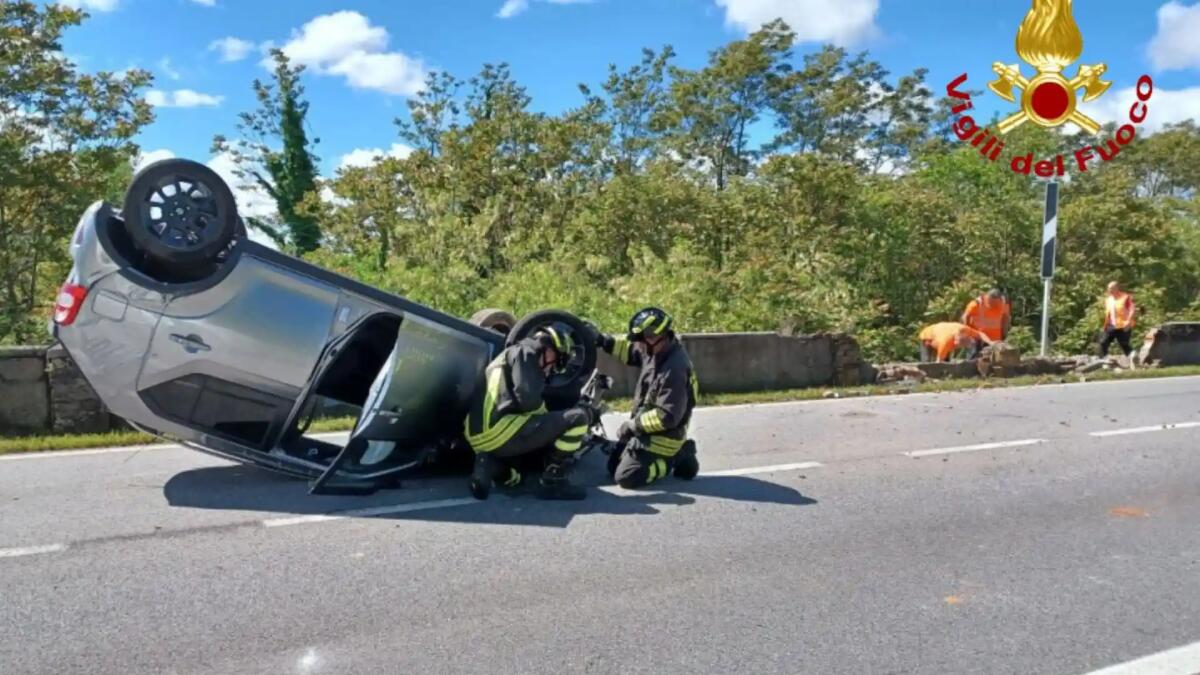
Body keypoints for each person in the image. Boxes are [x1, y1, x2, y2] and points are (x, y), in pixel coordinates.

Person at [463, 324, 597, 501]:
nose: (552, 367)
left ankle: (494, 467)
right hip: (500, 431)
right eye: (556, 359)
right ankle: (553, 481)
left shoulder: (506, 356)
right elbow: (527, 398)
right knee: (578, 417)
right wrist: (551, 418)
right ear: (549, 348)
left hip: (477, 435)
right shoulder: (527, 354)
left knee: (520, 476)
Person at [593, 307, 700, 489]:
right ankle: (664, 456)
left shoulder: (674, 369)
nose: (639, 345)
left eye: (642, 340)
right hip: (646, 431)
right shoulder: (655, 350)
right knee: (612, 467)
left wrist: (633, 426)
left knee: (627, 477)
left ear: (657, 337)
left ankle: (675, 458)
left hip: (664, 438)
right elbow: (629, 352)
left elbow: (667, 417)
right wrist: (602, 340)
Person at [961, 288, 1011, 356]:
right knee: (974, 358)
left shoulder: (1004, 303)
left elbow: (1006, 318)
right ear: (987, 297)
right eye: (992, 302)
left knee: (995, 360)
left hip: (995, 340)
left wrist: (1004, 334)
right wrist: (967, 333)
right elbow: (965, 316)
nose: (993, 305)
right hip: (977, 339)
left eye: (996, 303)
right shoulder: (977, 303)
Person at [918, 322, 992, 363]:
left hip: (941, 332)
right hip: (927, 336)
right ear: (955, 341)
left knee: (946, 362)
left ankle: (945, 378)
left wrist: (991, 343)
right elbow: (938, 362)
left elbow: (980, 334)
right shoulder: (945, 342)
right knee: (926, 362)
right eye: (957, 346)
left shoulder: (965, 330)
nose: (957, 348)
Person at [1099, 281, 1137, 359]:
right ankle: (1105, 361)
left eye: (1111, 289)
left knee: (1124, 344)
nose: (1109, 291)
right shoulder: (1108, 300)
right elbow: (1109, 313)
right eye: (1108, 289)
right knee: (1103, 342)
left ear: (1117, 288)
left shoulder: (1125, 297)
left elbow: (1132, 309)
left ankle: (1133, 358)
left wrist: (1128, 321)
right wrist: (1106, 325)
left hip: (1123, 325)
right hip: (1111, 325)